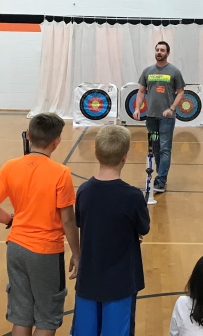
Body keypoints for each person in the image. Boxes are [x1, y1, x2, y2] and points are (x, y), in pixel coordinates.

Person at [0, 113, 80, 336]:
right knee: (46, 318)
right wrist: (77, 253)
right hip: (46, 252)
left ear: (27, 136)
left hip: (15, 247)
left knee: (21, 315)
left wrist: (11, 220)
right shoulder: (61, 173)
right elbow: (68, 220)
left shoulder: (10, 166)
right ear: (57, 141)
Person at [71, 125, 150, 336]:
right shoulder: (132, 196)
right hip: (120, 283)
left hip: (88, 279)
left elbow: (81, 222)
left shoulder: (84, 191)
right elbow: (143, 227)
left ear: (96, 153)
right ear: (125, 156)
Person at [134, 41, 185, 194]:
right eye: (157, 49)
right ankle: (161, 175)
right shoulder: (147, 71)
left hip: (167, 119)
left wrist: (171, 108)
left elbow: (181, 92)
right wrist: (137, 108)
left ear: (167, 53)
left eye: (162, 50)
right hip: (151, 118)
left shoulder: (174, 71)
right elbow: (141, 91)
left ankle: (161, 179)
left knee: (164, 148)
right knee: (155, 147)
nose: (159, 52)